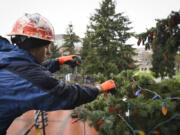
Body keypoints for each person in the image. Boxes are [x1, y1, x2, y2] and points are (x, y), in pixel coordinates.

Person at [0, 13, 116, 135]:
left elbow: (25, 72)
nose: (49, 52)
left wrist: (58, 61)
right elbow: (67, 94)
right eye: (46, 47)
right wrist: (99, 88)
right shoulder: (28, 75)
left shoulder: (7, 55)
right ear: (34, 46)